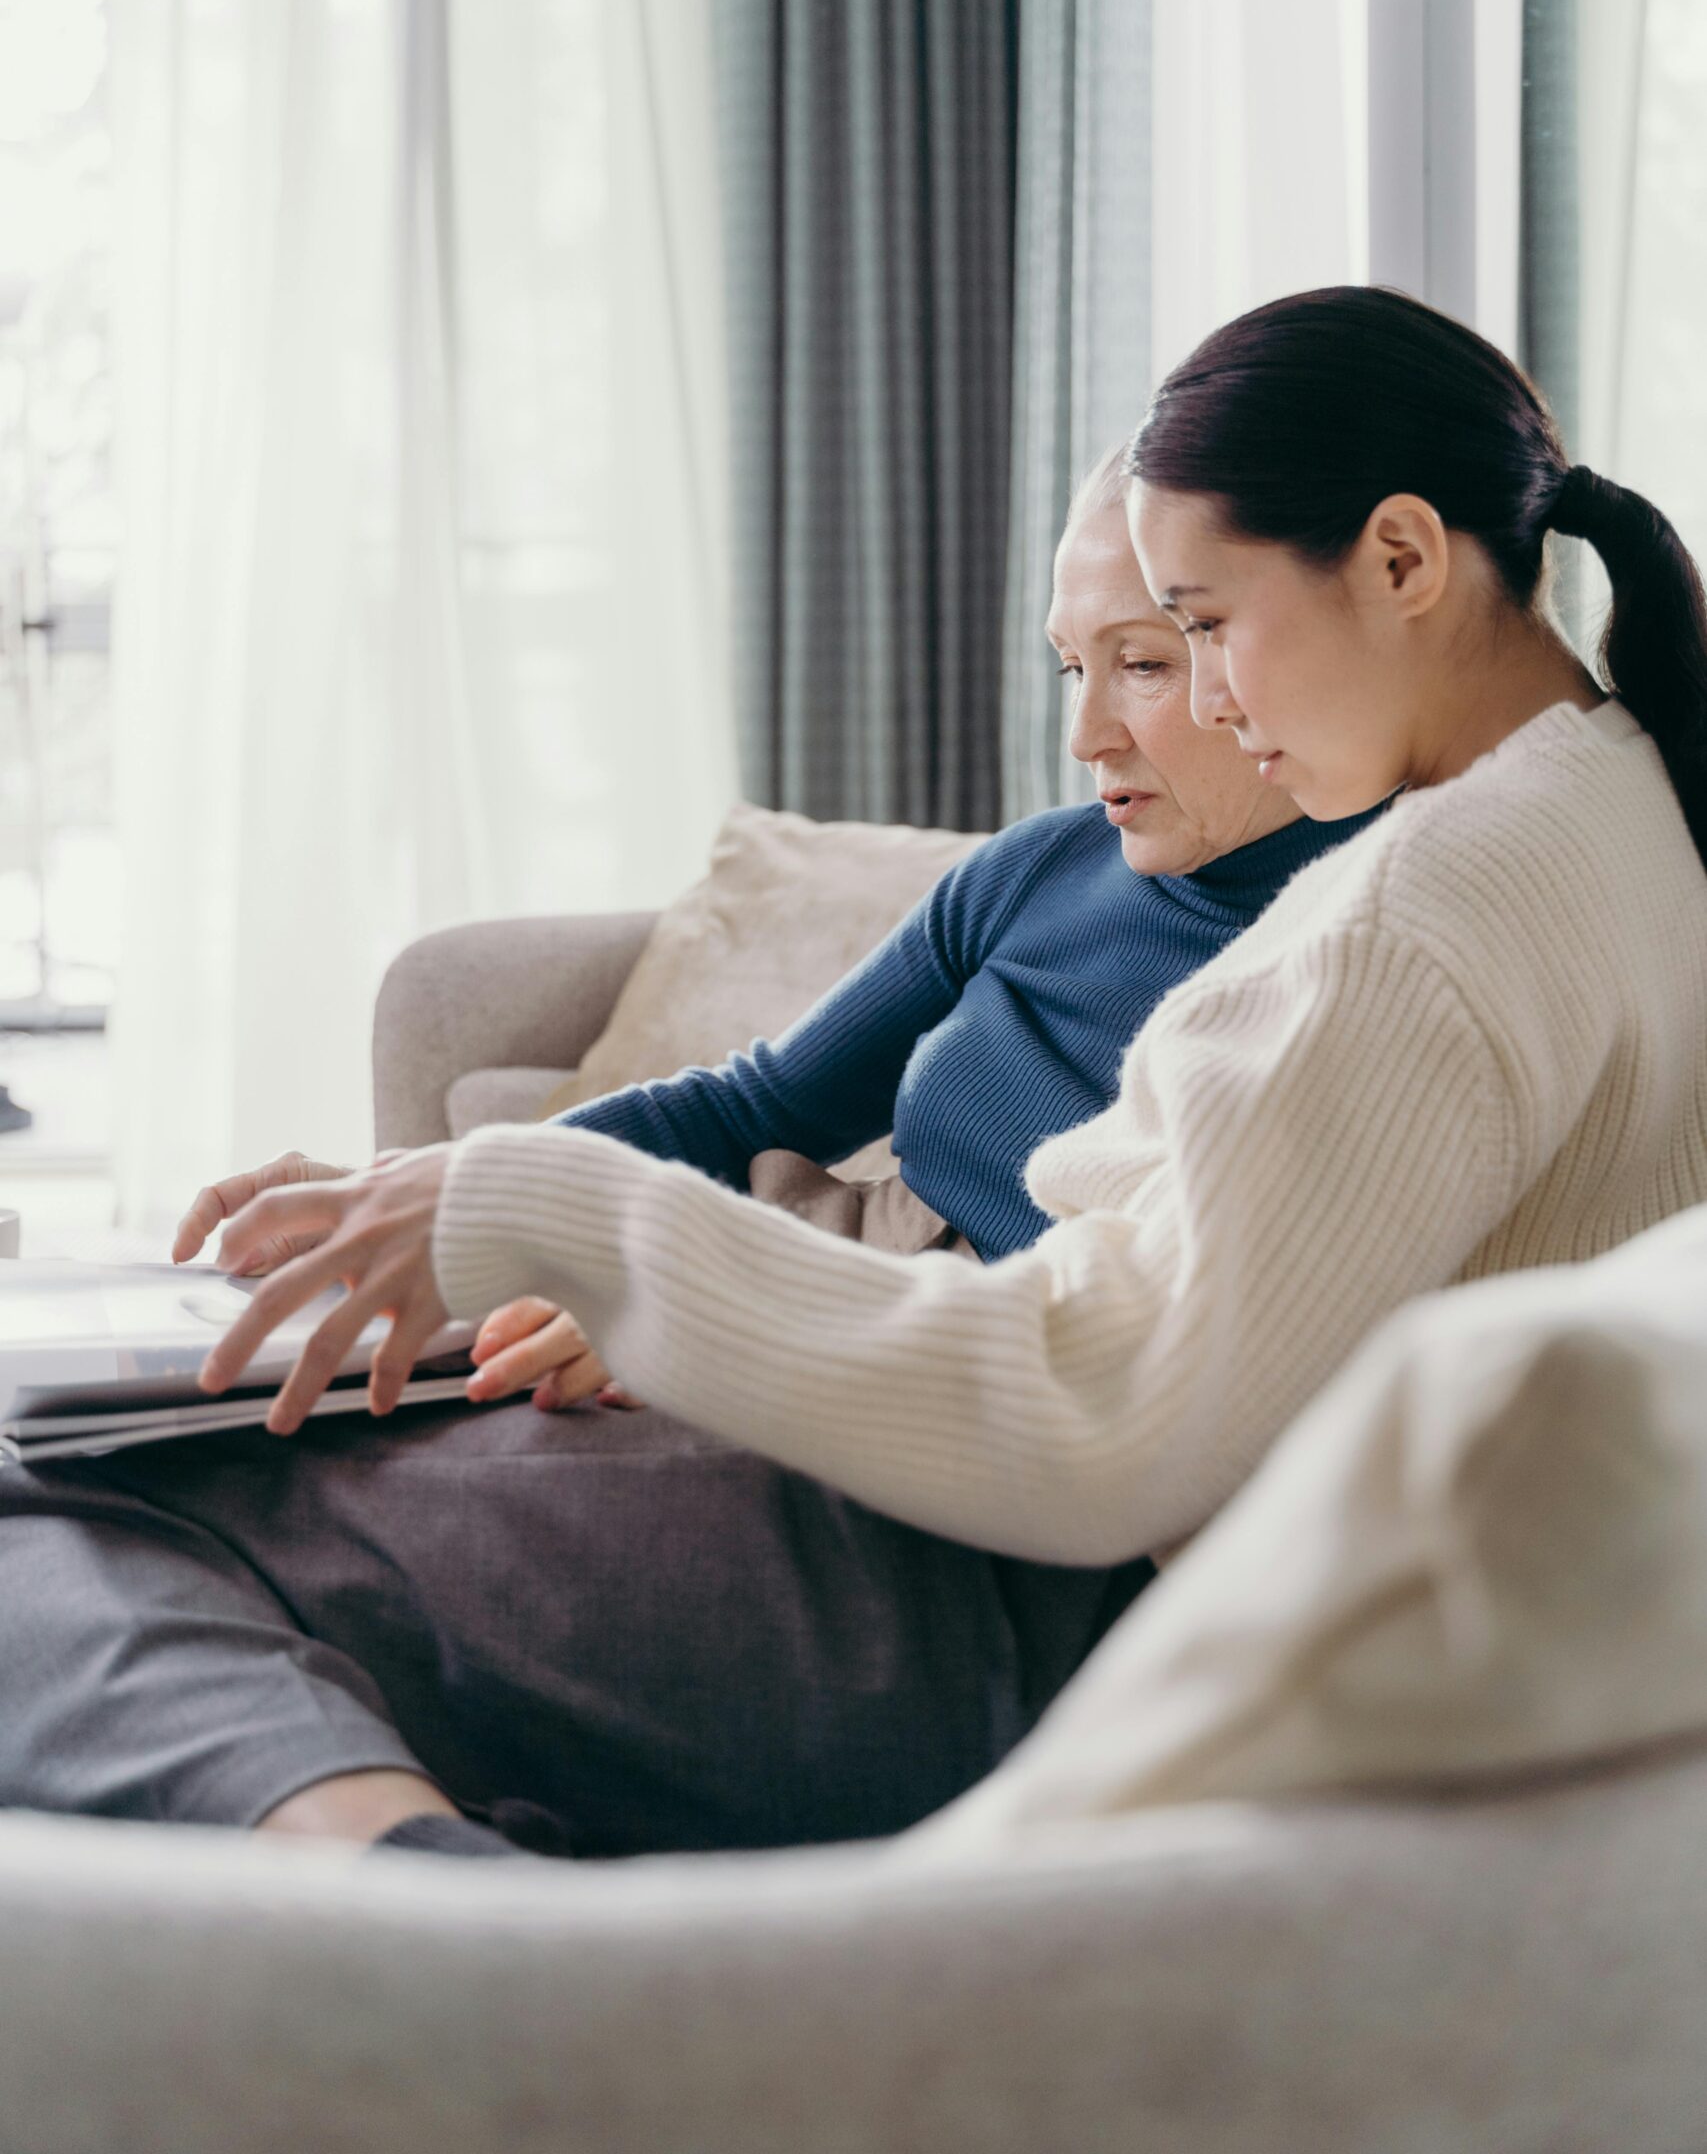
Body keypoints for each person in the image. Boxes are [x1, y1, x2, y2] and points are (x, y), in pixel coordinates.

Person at [182, 286, 1707, 1857]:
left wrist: (566, 1214)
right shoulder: (1610, 804)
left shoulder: (1419, 919)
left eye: (1198, 629)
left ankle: (415, 1913)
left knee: (134, 1525)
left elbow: (1096, 1416)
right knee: (176, 1506)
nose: (1214, 698)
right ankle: (412, 1874)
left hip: (1042, 1625)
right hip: (1092, 1580)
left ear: (1400, 560)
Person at [0, 453, 1371, 1860]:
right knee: (65, 1450)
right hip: (799, 1414)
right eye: (1070, 663)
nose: (1090, 733)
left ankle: (408, 1905)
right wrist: (418, 1204)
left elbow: (1127, 1376)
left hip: (974, 1555)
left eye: (1145, 661)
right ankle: (409, 1873)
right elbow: (747, 1108)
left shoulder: (1364, 961)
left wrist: (708, 1306)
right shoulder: (1046, 871)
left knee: (80, 1518)